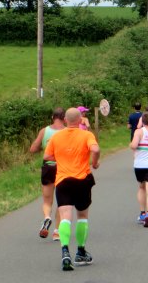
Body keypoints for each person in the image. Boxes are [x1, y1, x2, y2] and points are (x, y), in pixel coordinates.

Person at [44, 108, 100, 271]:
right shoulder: (86, 135)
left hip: (63, 180)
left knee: (65, 217)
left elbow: (47, 157)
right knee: (82, 215)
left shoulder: (56, 137)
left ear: (65, 120)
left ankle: (65, 251)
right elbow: (95, 149)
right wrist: (94, 163)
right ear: (80, 119)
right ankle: (81, 251)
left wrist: (60, 158)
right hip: (82, 179)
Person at [29, 107, 66, 241]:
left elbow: (32, 149)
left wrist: (42, 148)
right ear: (64, 118)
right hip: (63, 168)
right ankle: (57, 232)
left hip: (48, 167)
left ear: (52, 117)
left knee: (47, 200)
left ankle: (47, 217)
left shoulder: (44, 131)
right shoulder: (67, 132)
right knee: (62, 201)